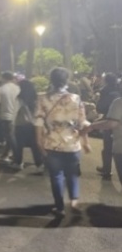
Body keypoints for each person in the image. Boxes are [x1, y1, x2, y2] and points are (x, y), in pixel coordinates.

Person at [35, 68, 91, 216]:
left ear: (51, 80)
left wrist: (39, 142)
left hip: (52, 144)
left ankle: (59, 208)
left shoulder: (42, 98)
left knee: (56, 176)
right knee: (72, 174)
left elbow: (39, 122)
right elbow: (83, 123)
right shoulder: (76, 98)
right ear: (67, 80)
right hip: (73, 144)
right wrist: (85, 142)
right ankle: (74, 201)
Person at [12, 80, 44, 172]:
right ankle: (39, 164)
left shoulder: (20, 99)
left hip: (21, 124)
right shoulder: (36, 98)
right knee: (35, 146)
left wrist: (12, 124)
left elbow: (15, 112)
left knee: (19, 145)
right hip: (35, 124)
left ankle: (18, 163)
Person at [95, 73, 120, 179]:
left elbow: (100, 107)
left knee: (108, 147)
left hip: (110, 119)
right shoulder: (118, 90)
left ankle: (107, 170)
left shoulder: (106, 92)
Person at [0, 72, 20, 161]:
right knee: (12, 136)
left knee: (10, 137)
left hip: (6, 116)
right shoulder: (18, 88)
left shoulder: (0, 89)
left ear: (3, 78)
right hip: (17, 115)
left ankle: (17, 157)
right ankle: (6, 154)